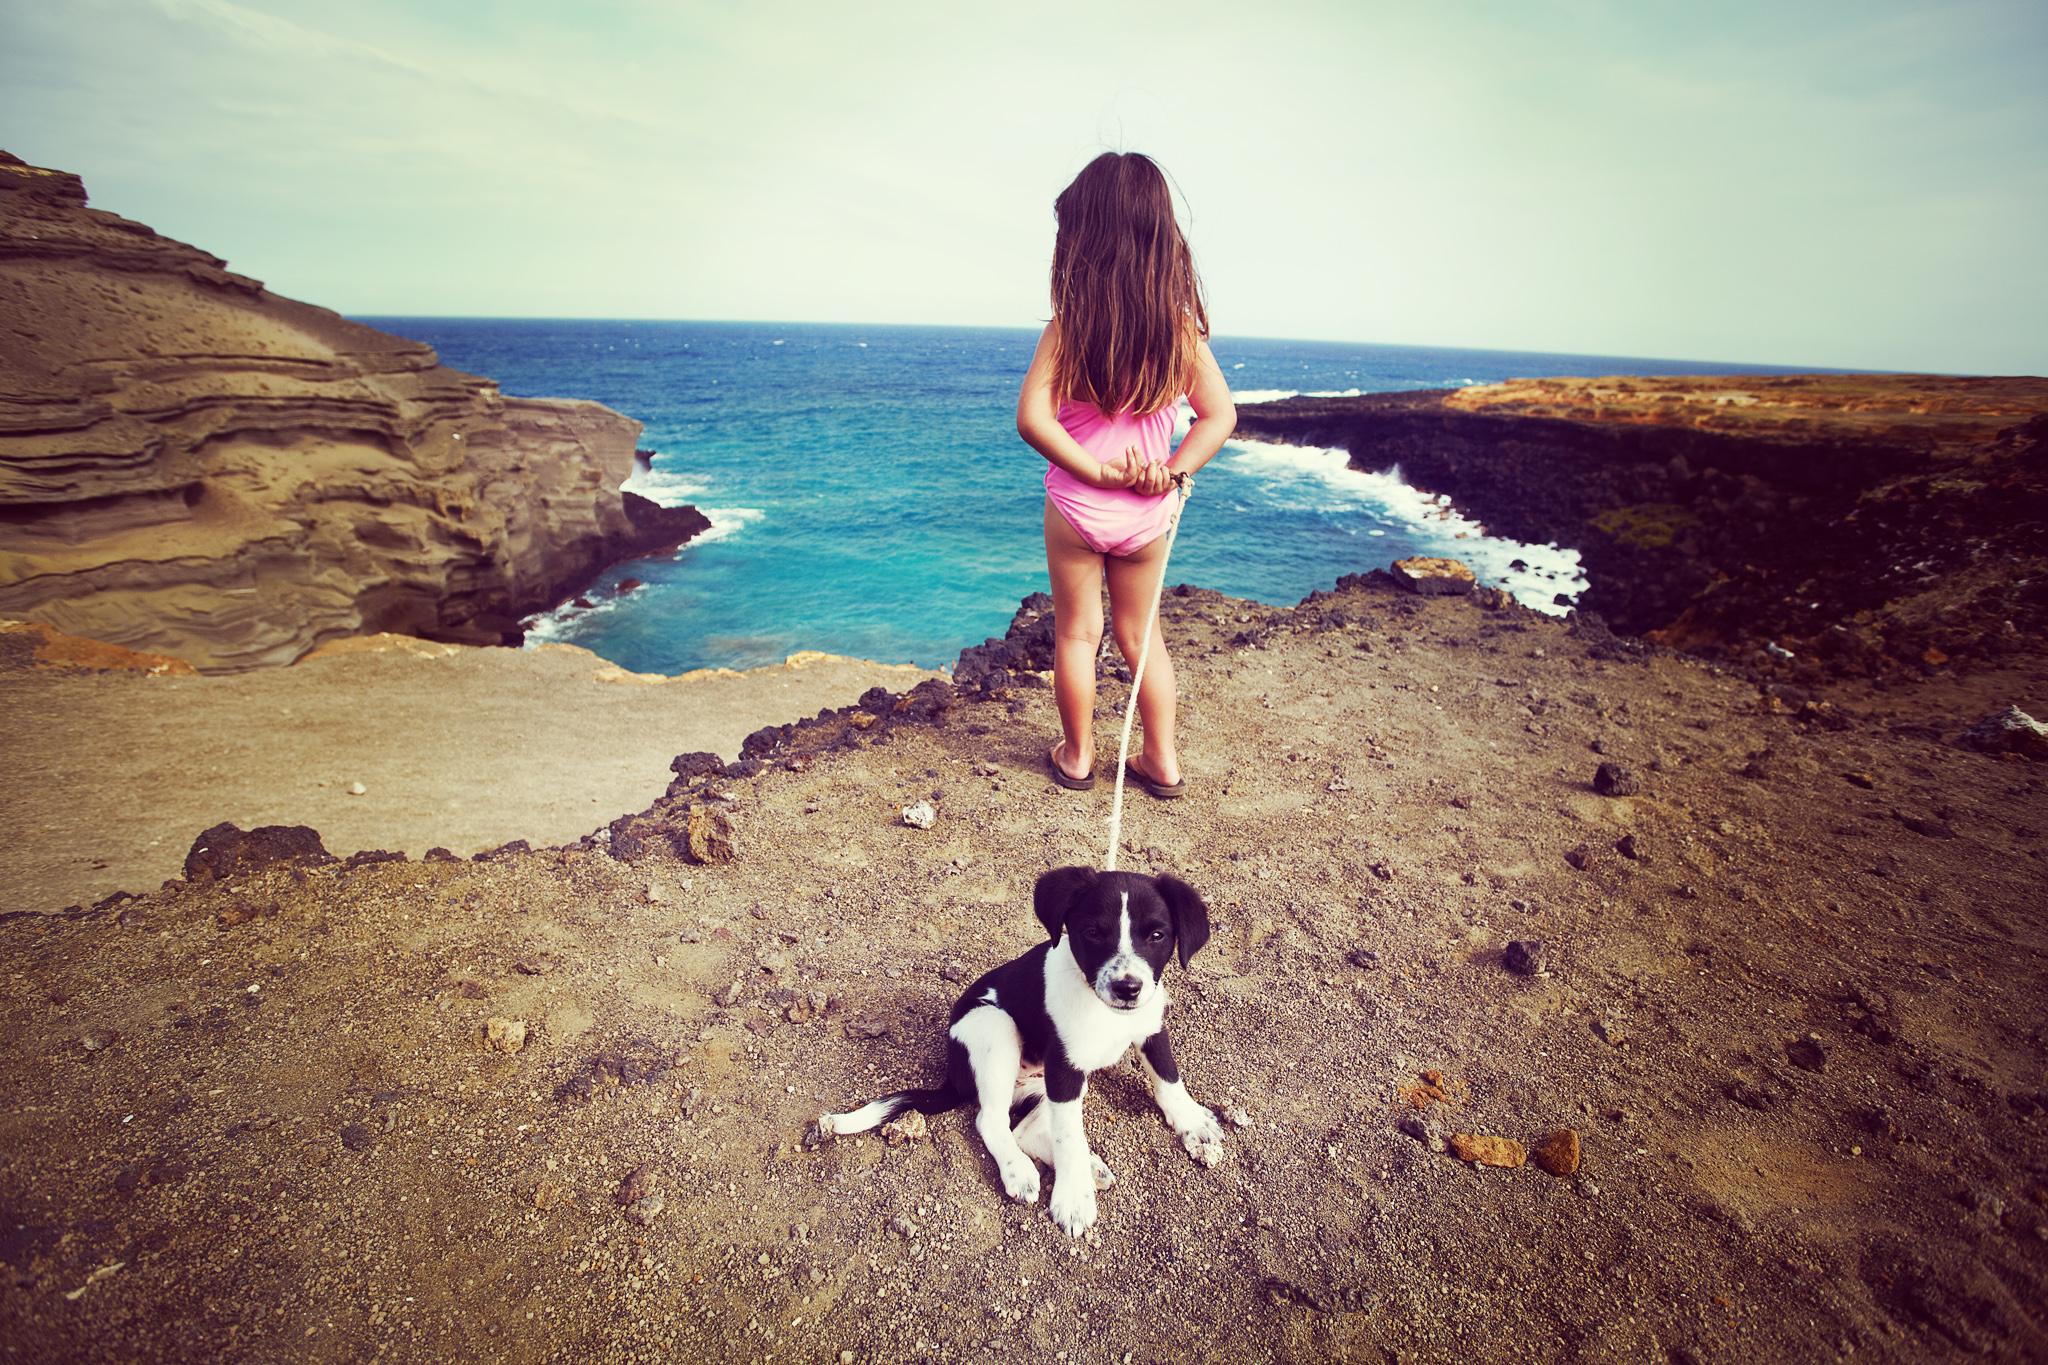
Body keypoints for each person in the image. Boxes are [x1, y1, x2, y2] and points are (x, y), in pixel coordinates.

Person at [1015, 151, 1236, 799]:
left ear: (1082, 240)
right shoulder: (1178, 330)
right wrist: (1168, 473)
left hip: (1078, 509)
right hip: (1148, 514)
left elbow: (1033, 419)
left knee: (1077, 633)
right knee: (1144, 638)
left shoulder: (1070, 326)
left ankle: (1078, 754)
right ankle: (1161, 760)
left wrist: (1096, 471)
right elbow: (1219, 417)